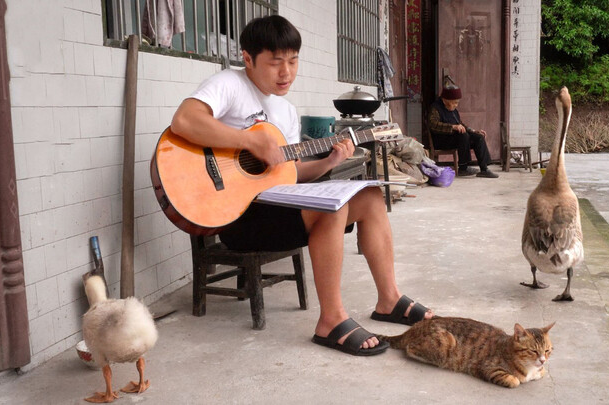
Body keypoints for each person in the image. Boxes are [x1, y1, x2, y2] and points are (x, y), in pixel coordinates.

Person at [170, 15, 432, 356]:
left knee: (368, 196)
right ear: (247, 59)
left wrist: (328, 163)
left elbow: (288, 173)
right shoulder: (229, 84)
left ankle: (389, 299)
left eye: (293, 62)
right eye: (275, 62)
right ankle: (331, 320)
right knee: (330, 209)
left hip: (275, 208)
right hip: (236, 215)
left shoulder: (286, 111)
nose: (286, 73)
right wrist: (248, 143)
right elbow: (184, 120)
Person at [428, 84, 499, 178]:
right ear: (445, 100)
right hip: (441, 140)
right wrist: (452, 127)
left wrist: (473, 131)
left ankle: (484, 169)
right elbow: (433, 125)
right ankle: (463, 168)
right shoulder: (435, 108)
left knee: (478, 138)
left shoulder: (453, 110)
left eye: (457, 103)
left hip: (457, 140)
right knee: (463, 135)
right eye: (454, 102)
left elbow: (461, 125)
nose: (456, 105)